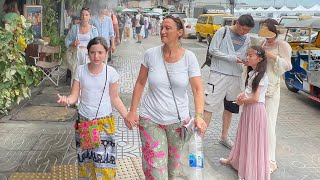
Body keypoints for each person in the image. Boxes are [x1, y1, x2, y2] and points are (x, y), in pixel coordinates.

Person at [126, 15, 207, 179]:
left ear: (179, 32)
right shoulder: (150, 54)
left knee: (173, 170)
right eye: (162, 27)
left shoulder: (189, 58)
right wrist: (133, 111)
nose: (162, 31)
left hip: (178, 123)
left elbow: (198, 89)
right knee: (155, 171)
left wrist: (199, 116)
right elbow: (140, 83)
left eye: (167, 28)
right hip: (151, 119)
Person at [57, 37, 132, 179]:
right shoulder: (81, 70)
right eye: (92, 52)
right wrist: (66, 100)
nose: (96, 56)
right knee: (86, 160)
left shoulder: (111, 73)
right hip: (85, 122)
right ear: (88, 52)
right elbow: (74, 96)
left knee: (105, 162)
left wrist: (126, 115)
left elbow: (115, 98)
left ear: (106, 53)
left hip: (104, 123)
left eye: (100, 52)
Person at [203, 14, 254, 149]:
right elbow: (213, 50)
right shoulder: (223, 31)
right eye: (243, 29)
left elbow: (245, 54)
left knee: (230, 107)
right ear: (237, 23)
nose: (244, 33)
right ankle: (199, 139)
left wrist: (246, 60)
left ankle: (224, 137)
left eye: (247, 30)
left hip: (236, 76)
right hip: (219, 75)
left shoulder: (247, 38)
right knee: (209, 106)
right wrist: (231, 58)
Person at [220, 45, 270, 180]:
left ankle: (250, 169)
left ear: (259, 59)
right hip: (249, 109)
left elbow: (255, 98)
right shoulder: (252, 73)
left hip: (256, 110)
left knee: (252, 139)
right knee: (244, 136)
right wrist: (242, 96)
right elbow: (250, 93)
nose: (247, 58)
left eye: (251, 56)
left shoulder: (261, 76)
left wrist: (241, 101)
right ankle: (236, 160)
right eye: (247, 55)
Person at [257, 18, 292, 173]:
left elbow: (288, 65)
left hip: (272, 88)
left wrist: (272, 56)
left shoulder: (282, 44)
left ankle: (270, 159)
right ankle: (257, 154)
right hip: (259, 87)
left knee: (269, 124)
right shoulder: (262, 42)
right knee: (258, 123)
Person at [65, 7, 98, 84]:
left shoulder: (94, 30)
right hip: (77, 55)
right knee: (76, 76)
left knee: (88, 76)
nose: (84, 17)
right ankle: (76, 94)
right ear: (80, 16)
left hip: (88, 56)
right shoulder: (74, 28)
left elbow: (97, 44)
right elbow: (67, 40)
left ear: (90, 16)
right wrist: (73, 43)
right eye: (82, 15)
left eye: (86, 15)